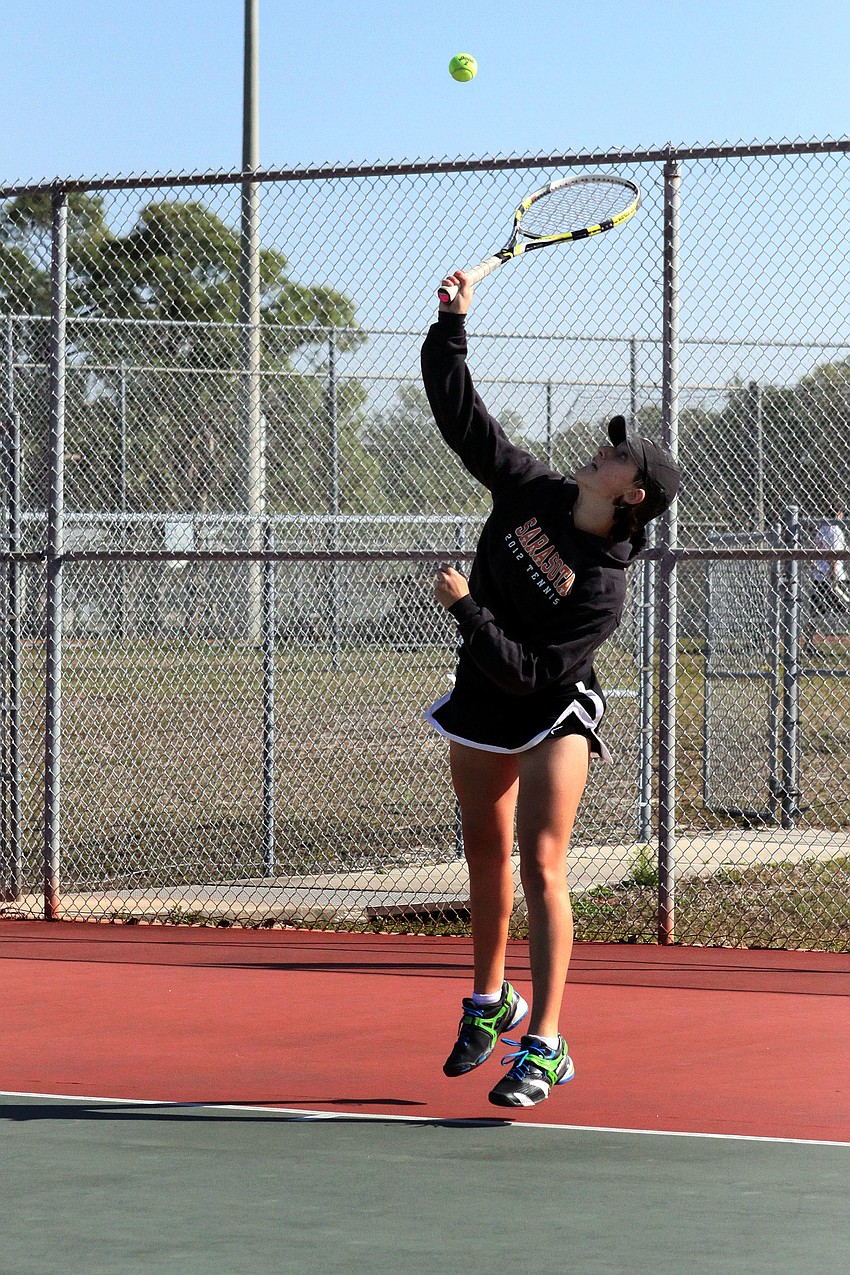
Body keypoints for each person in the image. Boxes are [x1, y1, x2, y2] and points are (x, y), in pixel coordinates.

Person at [420, 270, 681, 1108]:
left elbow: (533, 673)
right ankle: (490, 1003)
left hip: (548, 705)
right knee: (484, 852)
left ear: (632, 495)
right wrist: (452, 326)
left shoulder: (604, 586)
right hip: (482, 692)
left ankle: (547, 1041)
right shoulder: (532, 489)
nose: (598, 451)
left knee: (541, 861)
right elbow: (463, 420)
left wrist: (466, 609)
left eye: (616, 455)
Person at [812, 508, 848, 617]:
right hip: (833, 574)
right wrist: (834, 573)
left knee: (820, 611)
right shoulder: (835, 530)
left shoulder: (822, 528)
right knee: (841, 612)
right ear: (839, 514)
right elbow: (833, 554)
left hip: (819, 574)